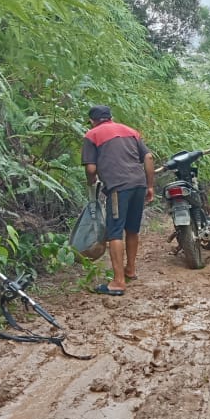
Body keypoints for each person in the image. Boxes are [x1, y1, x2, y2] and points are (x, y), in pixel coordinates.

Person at [81, 105, 155, 295]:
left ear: (92, 120)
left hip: (118, 187)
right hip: (138, 184)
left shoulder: (92, 135)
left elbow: (90, 169)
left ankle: (118, 282)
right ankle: (130, 270)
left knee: (115, 232)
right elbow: (148, 156)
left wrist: (92, 184)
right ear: (111, 117)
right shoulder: (130, 131)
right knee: (132, 229)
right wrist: (150, 185)